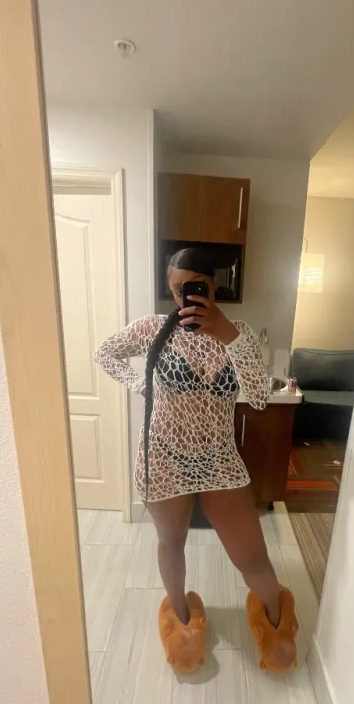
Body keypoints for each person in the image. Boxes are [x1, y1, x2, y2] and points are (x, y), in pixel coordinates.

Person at [94, 247, 298, 674]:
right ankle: (182, 619)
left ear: (212, 285)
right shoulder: (153, 328)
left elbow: (259, 398)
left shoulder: (239, 333)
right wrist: (142, 385)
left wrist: (227, 333)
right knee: (171, 542)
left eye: (193, 287)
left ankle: (277, 619)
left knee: (252, 556)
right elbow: (105, 352)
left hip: (220, 460)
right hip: (163, 458)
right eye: (176, 290)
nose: (184, 297)